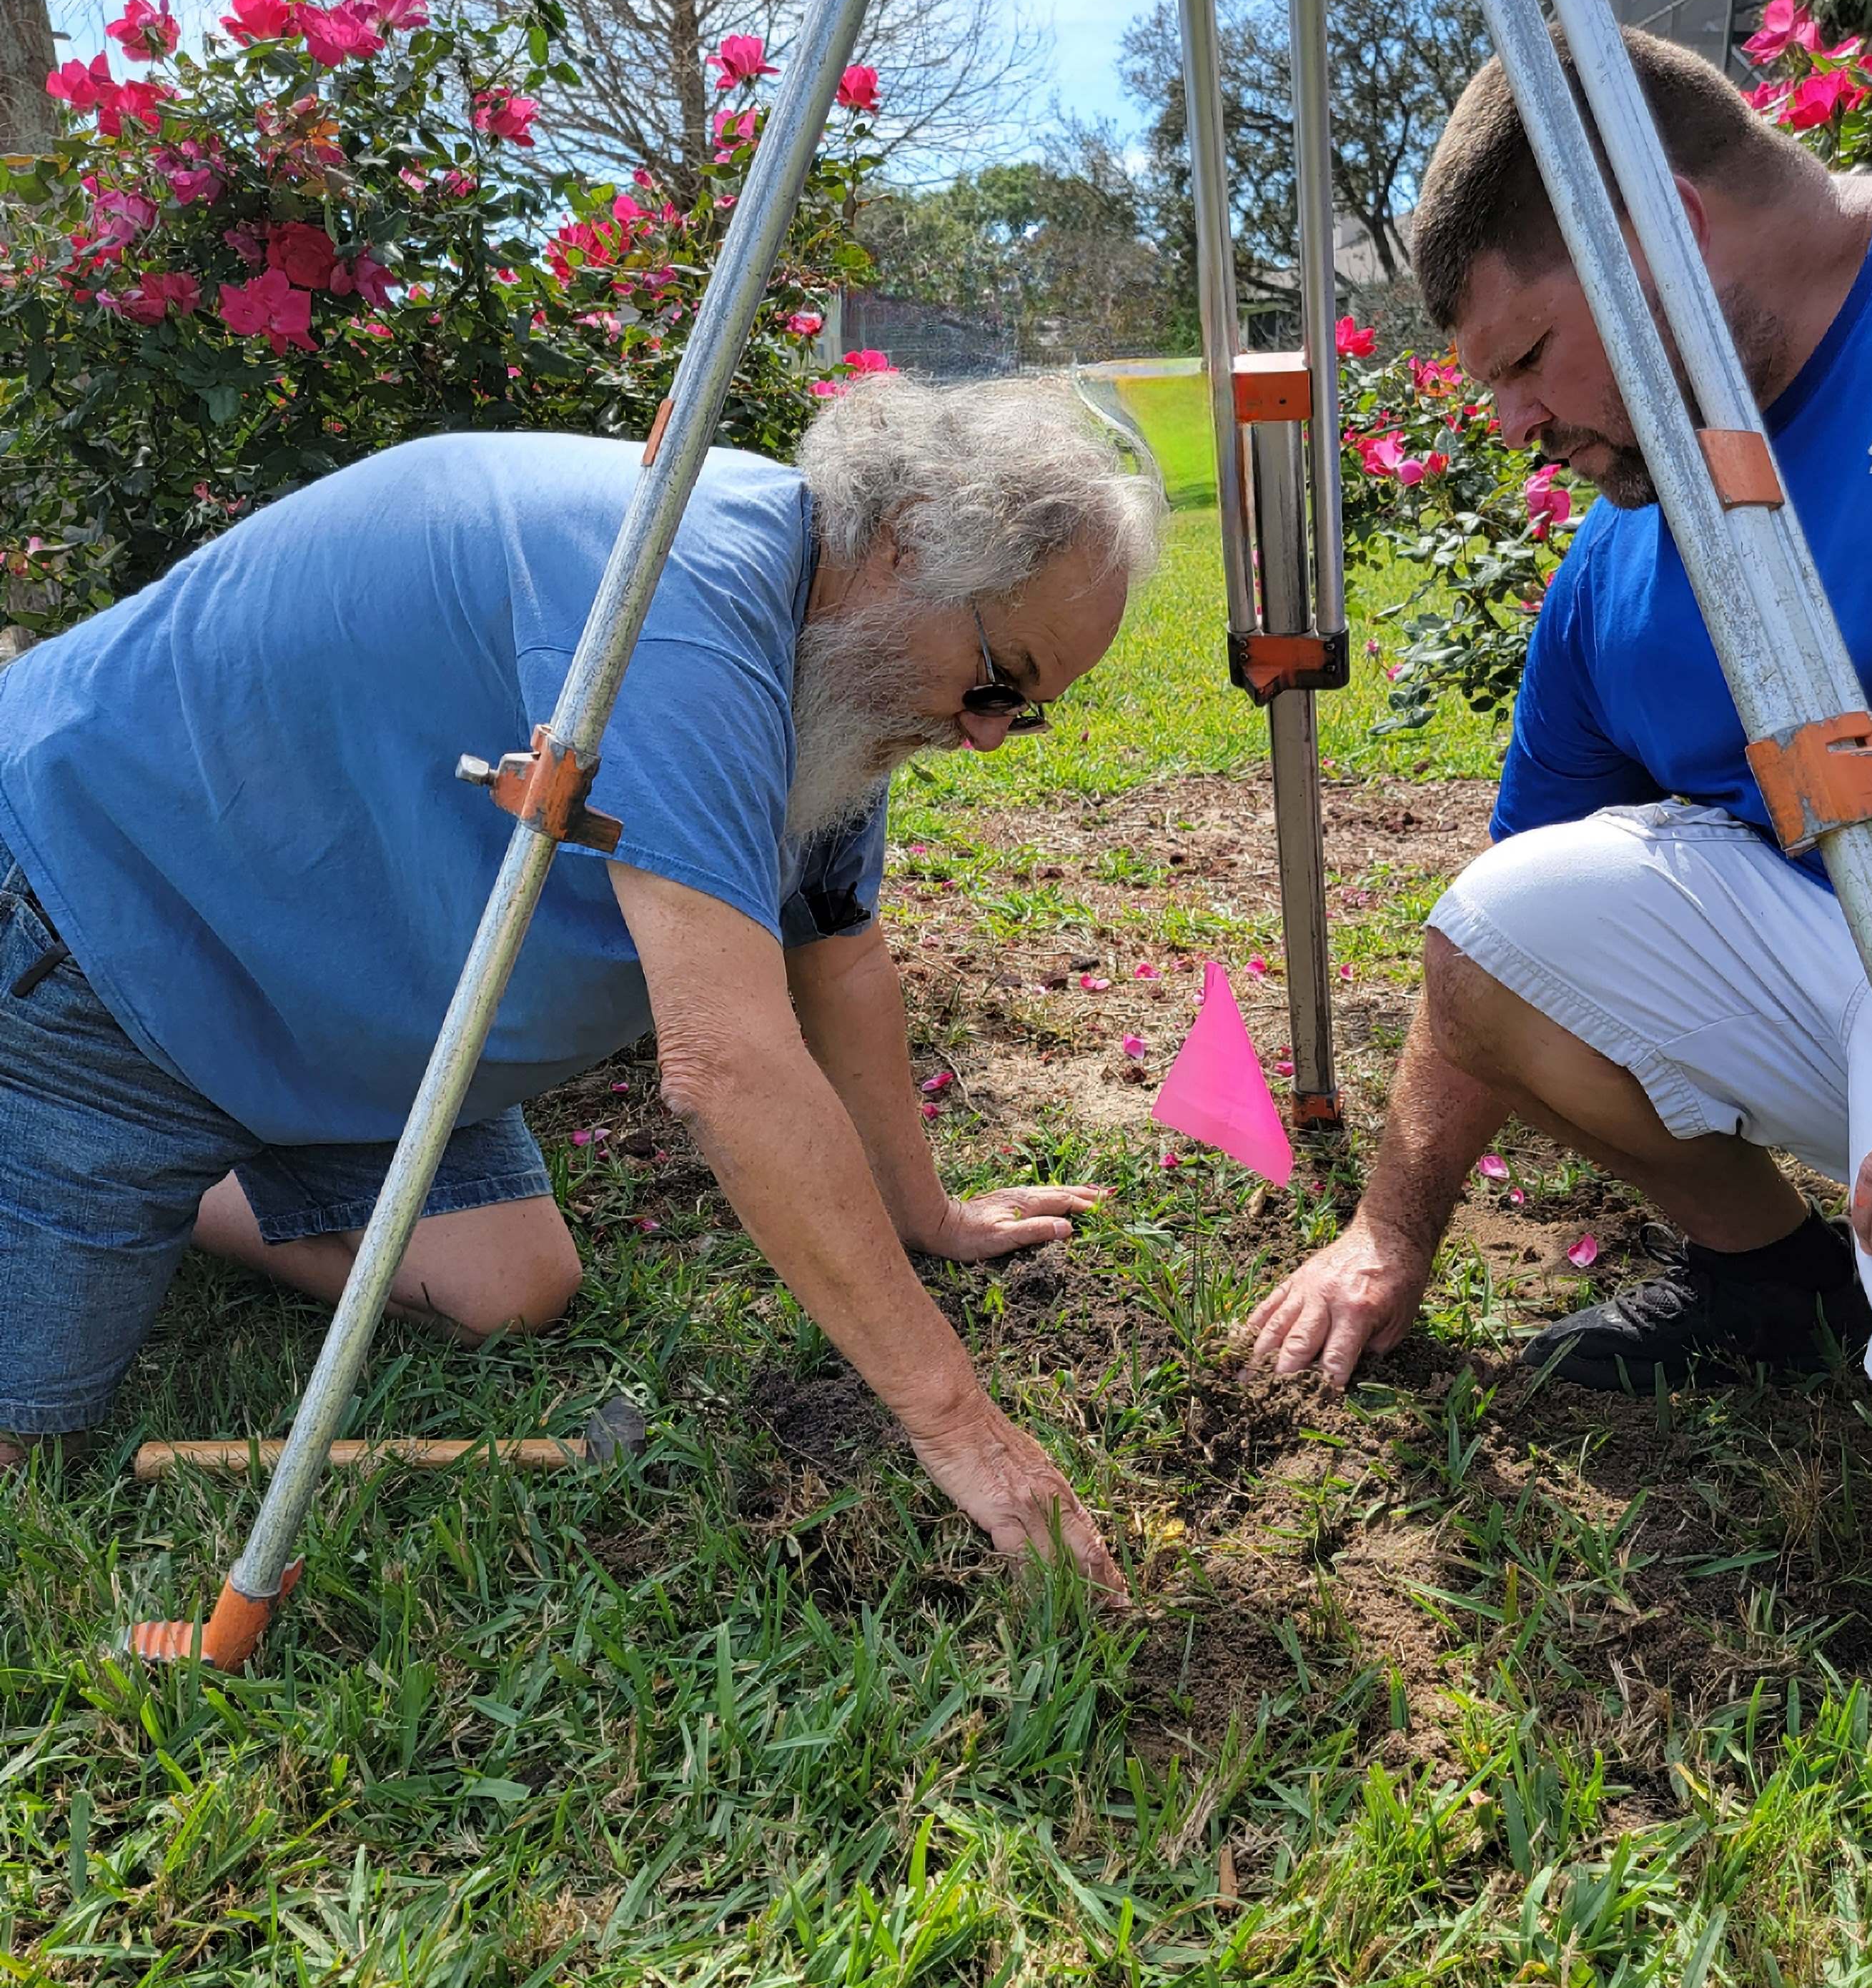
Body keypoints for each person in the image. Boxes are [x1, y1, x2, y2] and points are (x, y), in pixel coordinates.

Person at [0, 374, 1165, 1590]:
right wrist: (958, 1424)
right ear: (909, 538)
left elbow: (838, 948)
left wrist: (923, 1213)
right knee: (27, 1453)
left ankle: (181, 1192)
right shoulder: (678, 603)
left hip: (310, 1014)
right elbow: (727, 1068)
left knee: (507, 1288)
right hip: (91, 937)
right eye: (997, 680)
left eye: (1020, 716)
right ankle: (86, 1150)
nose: (984, 734)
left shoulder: (829, 657)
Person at [1247, 31, 1872, 1553]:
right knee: (1512, 917)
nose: (1513, 427)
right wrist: (1389, 1237)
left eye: (1526, 360)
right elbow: (1495, 975)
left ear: (1661, 226)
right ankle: (1767, 1275)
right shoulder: (1619, 576)